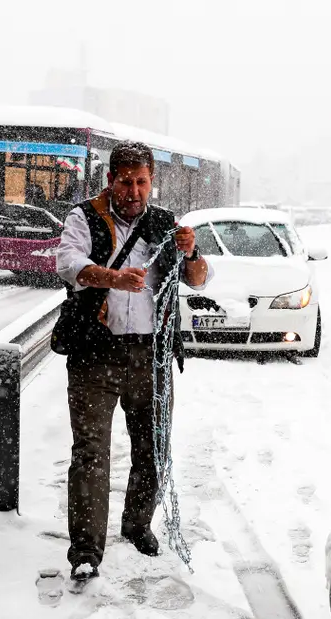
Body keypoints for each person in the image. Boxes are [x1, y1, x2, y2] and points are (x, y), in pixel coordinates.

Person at [55, 141, 213, 584]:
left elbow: (199, 280)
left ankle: (137, 524)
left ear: (151, 181)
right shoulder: (84, 217)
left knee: (152, 450)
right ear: (111, 180)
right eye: (126, 181)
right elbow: (68, 263)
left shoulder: (165, 224)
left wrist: (192, 252)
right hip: (94, 354)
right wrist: (112, 278)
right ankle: (86, 551)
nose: (134, 191)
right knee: (90, 454)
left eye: (142, 181)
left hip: (152, 356)